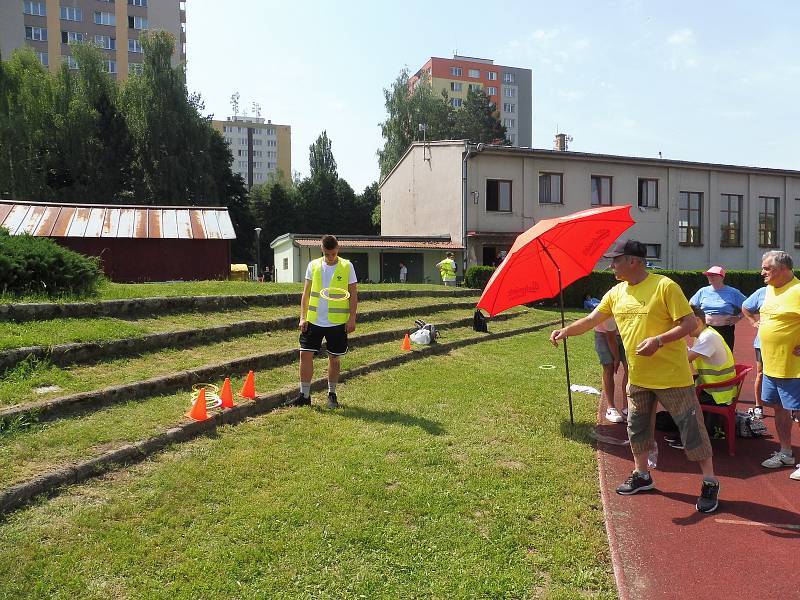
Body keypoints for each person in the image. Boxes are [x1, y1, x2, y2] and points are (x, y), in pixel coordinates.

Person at [550, 239, 720, 513]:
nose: (611, 265)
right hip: (639, 378)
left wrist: (659, 340)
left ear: (633, 261)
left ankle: (710, 481)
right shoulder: (616, 292)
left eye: (616, 260)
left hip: (673, 377)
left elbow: (689, 323)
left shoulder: (665, 286)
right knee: (637, 428)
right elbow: (593, 320)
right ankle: (642, 475)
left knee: (692, 430)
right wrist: (565, 331)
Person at [291, 235, 358, 409]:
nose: (331, 257)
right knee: (304, 354)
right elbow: (305, 293)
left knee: (334, 359)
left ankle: (332, 394)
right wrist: (302, 317)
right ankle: (304, 395)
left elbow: (353, 294)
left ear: (338, 249)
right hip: (313, 320)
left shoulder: (347, 266)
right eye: (328, 254)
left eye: (334, 254)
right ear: (322, 249)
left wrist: (352, 318)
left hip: (337, 322)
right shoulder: (312, 266)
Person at [755, 250, 800, 481]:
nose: (762, 272)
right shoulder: (770, 290)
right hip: (771, 365)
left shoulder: (798, 291)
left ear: (783, 269)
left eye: (767, 268)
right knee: (778, 409)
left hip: (793, 367)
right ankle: (785, 453)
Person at [664, 305, 736, 449]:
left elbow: (684, 360)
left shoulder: (707, 337)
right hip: (716, 389)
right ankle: (687, 434)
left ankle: (691, 439)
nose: (681, 328)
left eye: (682, 324)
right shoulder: (705, 335)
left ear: (696, 320)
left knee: (682, 397)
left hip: (718, 393)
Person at [689, 266, 745, 351]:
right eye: (708, 275)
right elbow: (690, 306)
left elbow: (748, 306)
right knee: (703, 353)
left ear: (722, 277)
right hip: (705, 328)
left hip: (725, 329)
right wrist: (697, 319)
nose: (710, 277)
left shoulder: (732, 292)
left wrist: (738, 317)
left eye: (713, 275)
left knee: (725, 354)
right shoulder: (703, 291)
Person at [594, 316, 629, 423]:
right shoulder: (609, 304)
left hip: (625, 333)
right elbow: (610, 336)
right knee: (609, 367)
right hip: (604, 335)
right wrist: (616, 357)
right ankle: (610, 408)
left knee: (630, 368)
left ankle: (627, 407)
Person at [741, 286, 767, 418]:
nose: (764, 274)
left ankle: (793, 408)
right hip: (762, 343)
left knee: (790, 375)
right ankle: (758, 406)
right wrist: (753, 322)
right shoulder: (762, 291)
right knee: (761, 373)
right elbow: (745, 307)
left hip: (787, 344)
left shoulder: (794, 290)